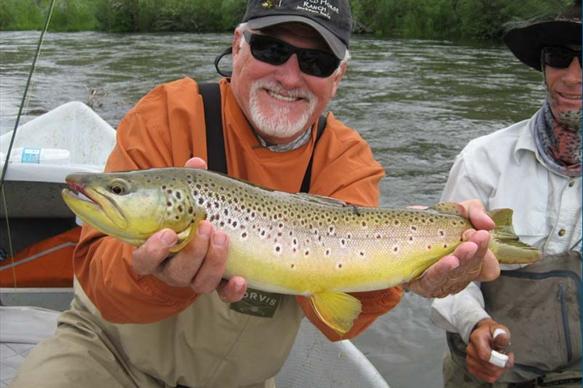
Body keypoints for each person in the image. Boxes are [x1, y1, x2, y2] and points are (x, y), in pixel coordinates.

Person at [12, 1, 498, 387]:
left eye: (315, 60)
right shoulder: (168, 113)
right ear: (238, 46)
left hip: (239, 381)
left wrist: (414, 278)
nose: (289, 75)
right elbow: (100, 284)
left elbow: (338, 318)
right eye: (270, 49)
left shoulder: (346, 159)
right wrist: (158, 279)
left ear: (338, 77)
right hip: (107, 358)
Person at [431, 1, 582, 387]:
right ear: (544, 66)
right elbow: (446, 275)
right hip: (482, 373)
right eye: (559, 57)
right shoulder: (483, 160)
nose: (572, 76)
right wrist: (476, 324)